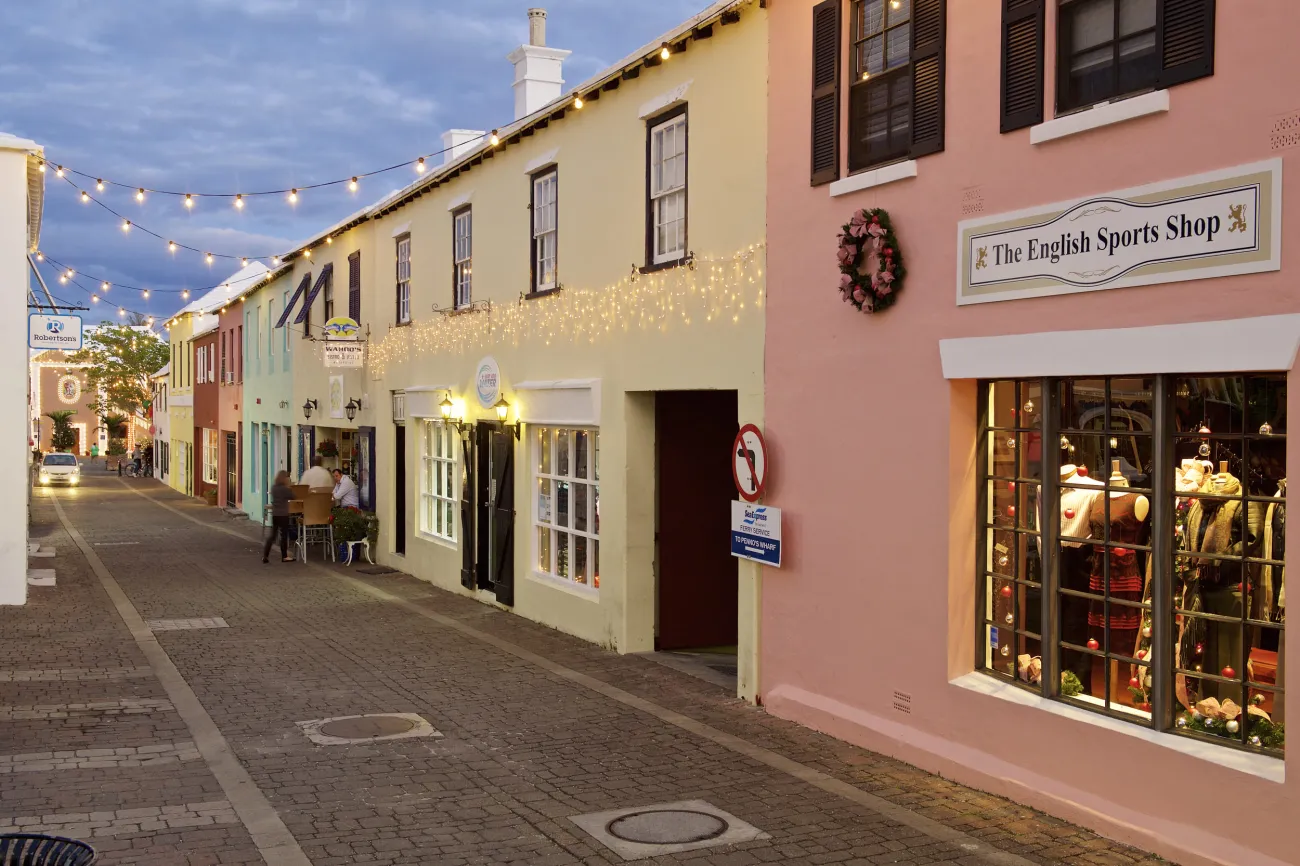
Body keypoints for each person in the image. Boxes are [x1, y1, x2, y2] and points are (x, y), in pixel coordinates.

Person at [263, 470, 296, 563]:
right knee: (284, 535)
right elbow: (293, 496)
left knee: (273, 535)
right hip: (283, 514)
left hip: (275, 514)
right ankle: (284, 556)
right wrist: (289, 486)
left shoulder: (274, 488)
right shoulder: (284, 489)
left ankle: (265, 555)